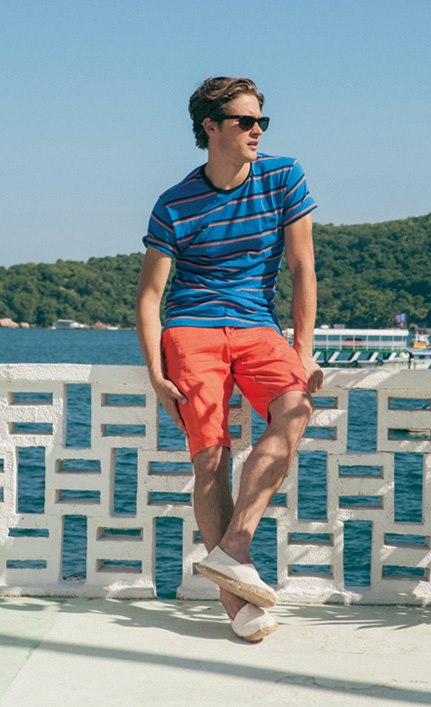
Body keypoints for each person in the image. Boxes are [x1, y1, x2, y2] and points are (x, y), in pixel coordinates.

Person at [136, 76, 323, 641]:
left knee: (295, 410)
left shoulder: (283, 176)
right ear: (211, 127)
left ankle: (233, 547)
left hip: (258, 326)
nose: (257, 130)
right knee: (211, 459)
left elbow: (302, 269)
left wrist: (303, 350)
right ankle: (234, 600)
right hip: (191, 329)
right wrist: (155, 373)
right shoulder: (174, 203)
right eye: (245, 121)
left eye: (261, 120)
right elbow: (149, 296)